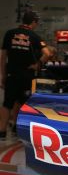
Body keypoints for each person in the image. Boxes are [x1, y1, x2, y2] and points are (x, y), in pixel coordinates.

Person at [0, 11, 50, 140]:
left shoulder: (9, 34)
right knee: (23, 102)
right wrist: (37, 64)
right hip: (27, 75)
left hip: (11, 74)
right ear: (33, 22)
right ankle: (18, 129)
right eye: (36, 22)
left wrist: (2, 75)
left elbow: (3, 56)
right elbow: (47, 53)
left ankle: (2, 132)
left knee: (7, 103)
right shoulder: (34, 36)